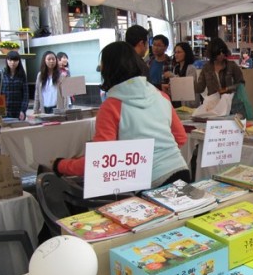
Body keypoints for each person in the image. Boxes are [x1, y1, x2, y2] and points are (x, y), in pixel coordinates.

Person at [53, 41, 190, 188]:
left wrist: (60, 165)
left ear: (108, 70)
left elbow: (99, 160)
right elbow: (180, 137)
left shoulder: (111, 106)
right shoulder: (161, 96)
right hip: (180, 171)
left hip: (149, 181)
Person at [195, 37, 250, 118]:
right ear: (213, 53)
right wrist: (189, 83)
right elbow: (200, 88)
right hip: (214, 106)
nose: (221, 54)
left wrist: (227, 89)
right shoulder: (206, 68)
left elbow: (241, 83)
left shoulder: (232, 66)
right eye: (218, 52)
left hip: (232, 105)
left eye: (223, 51)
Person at [0, 50, 29, 119]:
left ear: (18, 61)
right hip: (4, 112)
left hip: (18, 112)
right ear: (7, 60)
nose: (12, 62)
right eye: (10, 60)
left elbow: (25, 95)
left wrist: (23, 110)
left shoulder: (22, 75)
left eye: (15, 60)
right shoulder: (0, 74)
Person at [164, 41, 198, 108]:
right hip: (178, 102)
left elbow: (187, 85)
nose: (176, 55)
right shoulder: (176, 68)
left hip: (189, 104)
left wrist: (173, 76)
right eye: (175, 52)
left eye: (179, 52)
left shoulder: (191, 68)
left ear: (186, 53)